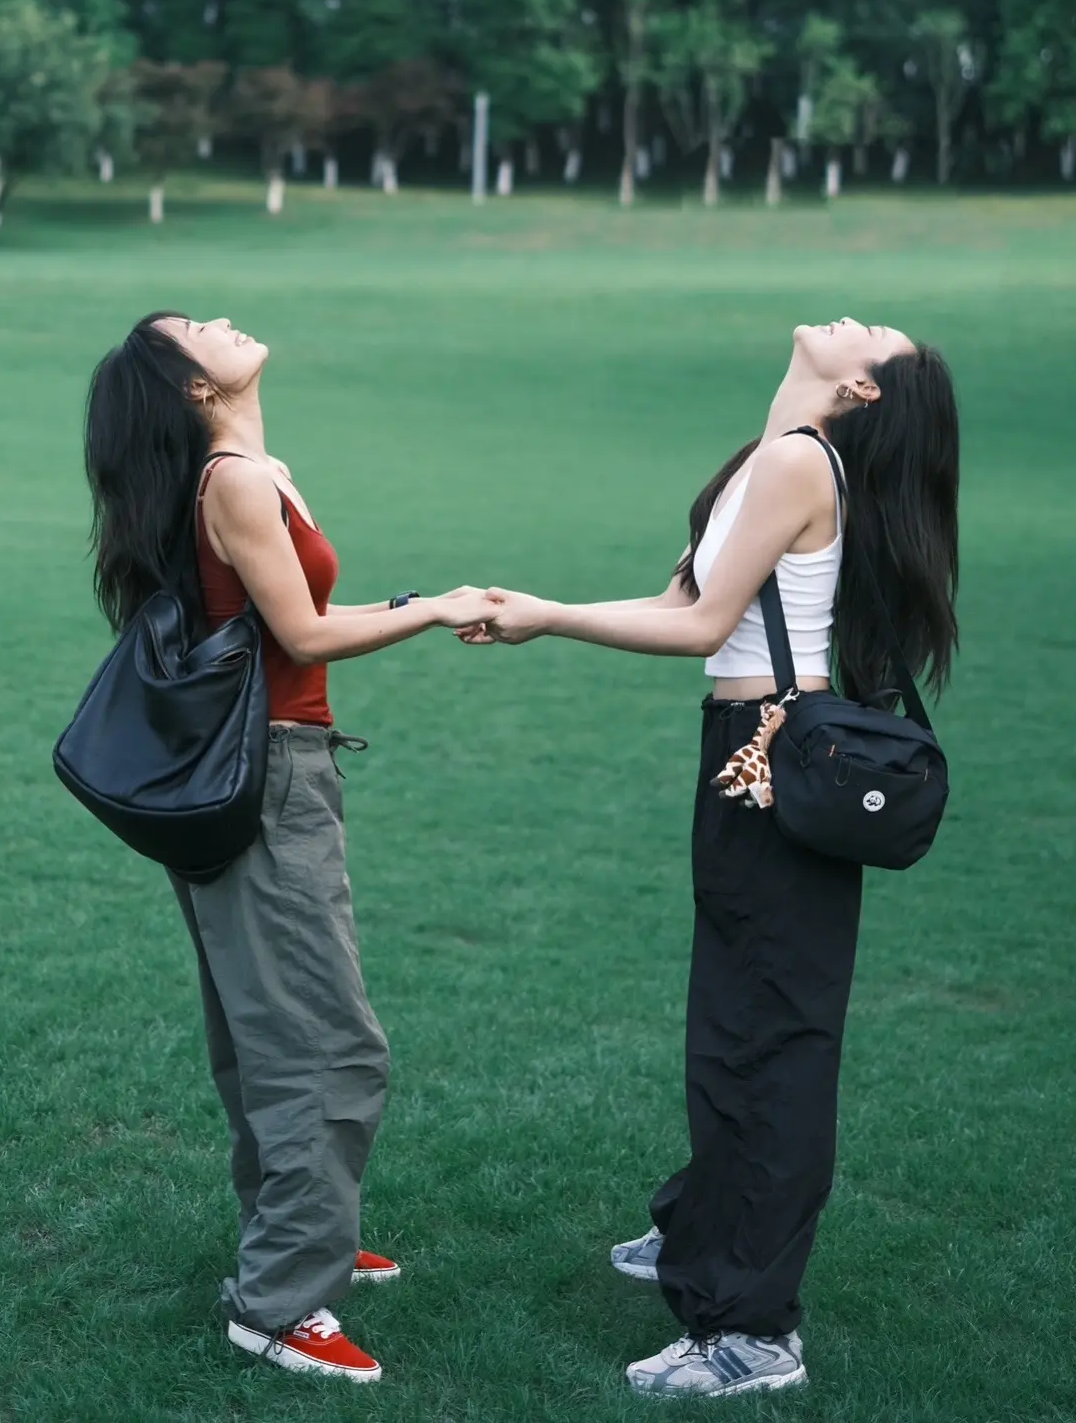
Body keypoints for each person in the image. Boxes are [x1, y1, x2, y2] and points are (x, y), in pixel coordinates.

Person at [464, 318, 959, 1400]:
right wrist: (538, 613)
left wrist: (546, 618)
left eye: (874, 335)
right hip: (754, 753)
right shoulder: (773, 455)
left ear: (865, 391)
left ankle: (753, 1329)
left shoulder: (796, 460)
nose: (851, 319)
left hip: (776, 755)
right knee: (737, 1018)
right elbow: (686, 604)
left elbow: (700, 632)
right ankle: (706, 1226)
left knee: (769, 1036)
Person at [83, 311, 495, 1386]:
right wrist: (434, 607)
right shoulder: (235, 481)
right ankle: (278, 1303)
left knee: (266, 1027)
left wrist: (408, 605)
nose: (222, 319)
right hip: (267, 780)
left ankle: (305, 1231)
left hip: (258, 771)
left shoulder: (246, 470)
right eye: (196, 329)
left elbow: (287, 619)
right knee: (331, 1044)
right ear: (192, 389)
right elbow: (305, 637)